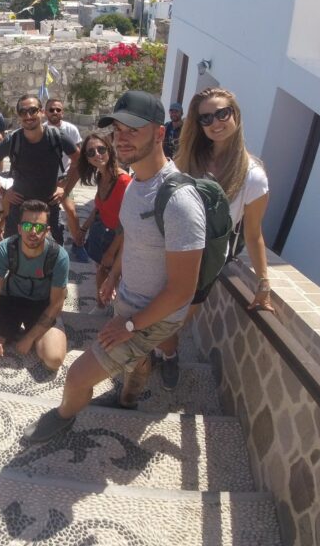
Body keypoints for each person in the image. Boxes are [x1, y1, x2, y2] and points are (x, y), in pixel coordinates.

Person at [22, 91, 206, 443]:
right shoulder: (138, 182)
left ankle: (62, 416)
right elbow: (134, 238)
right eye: (117, 129)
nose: (121, 138)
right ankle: (132, 393)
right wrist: (114, 275)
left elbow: (183, 290)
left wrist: (131, 324)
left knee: (77, 376)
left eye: (132, 130)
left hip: (151, 316)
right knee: (134, 362)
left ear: (158, 133)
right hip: (129, 300)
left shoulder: (180, 201)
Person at [151, 87, 273, 387]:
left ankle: (167, 355)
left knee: (173, 323)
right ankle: (159, 355)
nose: (215, 122)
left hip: (204, 265)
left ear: (236, 115)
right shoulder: (189, 159)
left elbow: (253, 233)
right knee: (155, 316)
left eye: (222, 113)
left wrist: (264, 283)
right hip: (171, 250)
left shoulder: (252, 176)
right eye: (206, 118)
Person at [0, 200, 69, 373]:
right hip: (10, 300)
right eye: (27, 226)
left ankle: (22, 333)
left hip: (42, 304)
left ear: (47, 231)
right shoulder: (6, 248)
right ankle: (8, 329)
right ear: (19, 229)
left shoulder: (59, 256)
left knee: (53, 359)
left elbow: (57, 303)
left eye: (39, 227)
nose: (32, 232)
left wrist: (29, 338)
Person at [0, 94, 79, 243]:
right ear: (19, 115)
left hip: (48, 207)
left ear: (41, 112)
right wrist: (3, 193)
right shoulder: (13, 140)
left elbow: (80, 162)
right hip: (19, 209)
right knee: (14, 256)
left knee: (50, 258)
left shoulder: (57, 137)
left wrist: (65, 189)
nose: (28, 116)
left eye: (32, 110)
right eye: (23, 112)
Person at [75, 132, 132, 296]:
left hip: (117, 239)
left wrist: (111, 252)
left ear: (109, 149)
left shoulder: (123, 182)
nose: (97, 155)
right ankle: (104, 304)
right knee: (100, 270)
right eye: (91, 152)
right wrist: (83, 229)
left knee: (109, 276)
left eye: (101, 149)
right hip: (101, 232)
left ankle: (104, 307)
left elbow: (127, 223)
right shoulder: (101, 175)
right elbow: (99, 207)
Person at [44, 97, 87, 258]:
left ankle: (78, 244)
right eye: (51, 109)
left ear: (62, 112)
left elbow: (78, 160)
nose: (55, 112)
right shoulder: (40, 129)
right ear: (45, 112)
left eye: (58, 109)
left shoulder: (71, 130)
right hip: (46, 179)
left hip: (64, 177)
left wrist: (66, 184)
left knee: (70, 211)